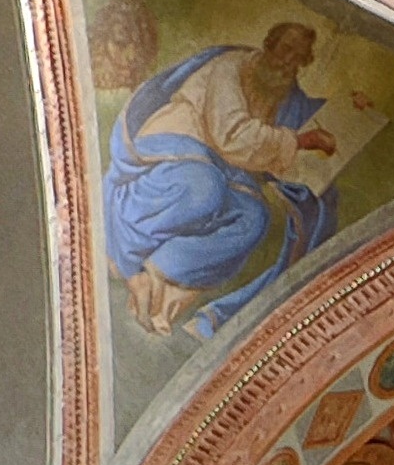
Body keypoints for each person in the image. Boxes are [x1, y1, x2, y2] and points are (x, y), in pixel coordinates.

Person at [104, 22, 343, 337]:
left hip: (225, 169)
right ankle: (122, 257)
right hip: (181, 140)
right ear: (269, 44)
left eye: (298, 58)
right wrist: (299, 141)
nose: (288, 62)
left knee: (253, 218)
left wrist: (348, 109)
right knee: (203, 188)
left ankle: (159, 283)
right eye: (285, 50)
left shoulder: (286, 91)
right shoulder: (229, 68)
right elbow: (231, 136)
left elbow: (309, 117)